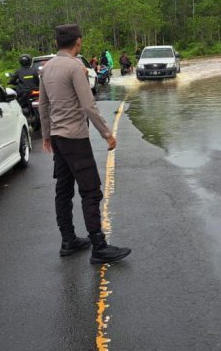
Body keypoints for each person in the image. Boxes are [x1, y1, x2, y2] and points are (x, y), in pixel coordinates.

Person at [39, 24, 131, 264]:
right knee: (91, 191)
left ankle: (68, 240)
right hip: (75, 138)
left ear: (57, 43)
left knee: (64, 190)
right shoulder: (75, 68)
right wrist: (107, 133)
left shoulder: (46, 69)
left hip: (58, 139)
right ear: (78, 42)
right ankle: (99, 247)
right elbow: (89, 105)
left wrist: (47, 135)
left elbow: (44, 105)